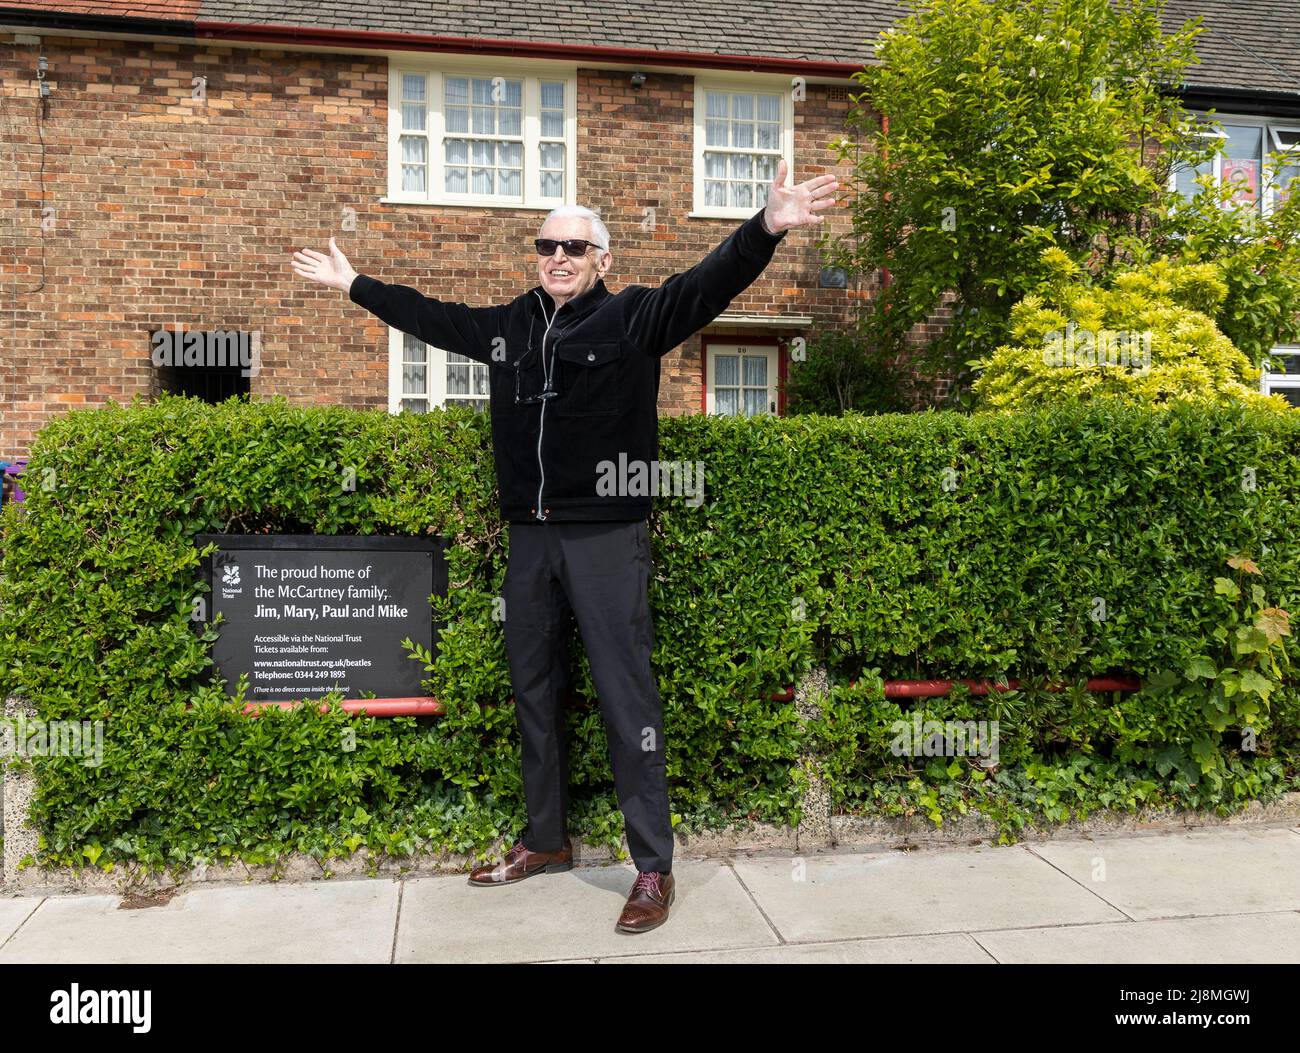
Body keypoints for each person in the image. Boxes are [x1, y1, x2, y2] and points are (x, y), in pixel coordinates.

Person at [291, 159, 840, 933]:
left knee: (627, 699)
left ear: (602, 260)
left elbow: (707, 286)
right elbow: (430, 316)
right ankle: (545, 840)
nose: (558, 257)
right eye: (547, 244)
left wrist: (765, 226)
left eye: (574, 248)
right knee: (533, 693)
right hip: (530, 539)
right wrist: (356, 285)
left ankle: (652, 866)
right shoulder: (509, 326)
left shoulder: (634, 319)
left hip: (607, 537)